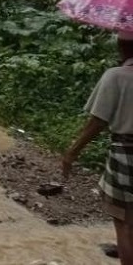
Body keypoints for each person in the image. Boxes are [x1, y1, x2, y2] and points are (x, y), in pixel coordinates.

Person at [63, 37, 133, 264]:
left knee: (124, 222)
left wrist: (72, 153)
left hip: (126, 154)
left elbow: (97, 122)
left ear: (123, 48)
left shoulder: (116, 76)